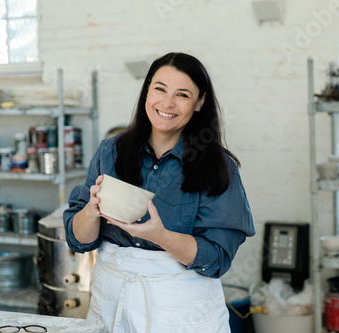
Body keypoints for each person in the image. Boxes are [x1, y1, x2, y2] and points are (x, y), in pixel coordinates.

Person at [63, 52, 255, 333]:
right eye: (160, 89)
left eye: (182, 95)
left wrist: (160, 236)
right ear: (146, 92)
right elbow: (78, 240)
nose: (167, 103)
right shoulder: (111, 151)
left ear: (199, 102)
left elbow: (216, 258)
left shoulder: (218, 167)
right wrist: (90, 212)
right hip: (111, 303)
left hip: (181, 314)